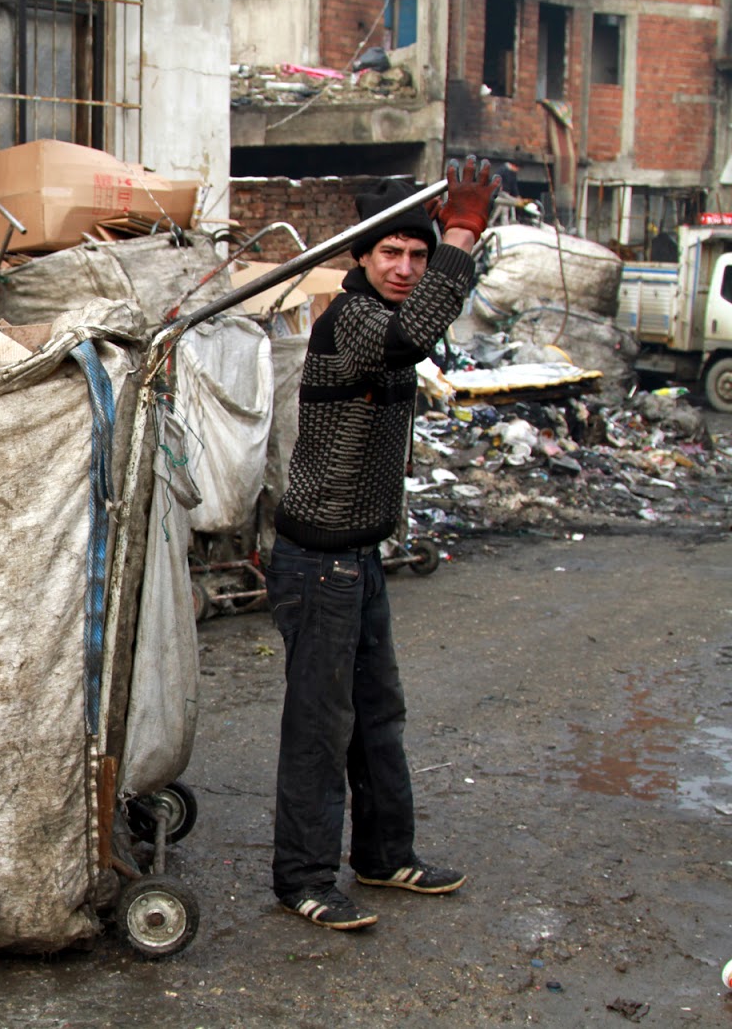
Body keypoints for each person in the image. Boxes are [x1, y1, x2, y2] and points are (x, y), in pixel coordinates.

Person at [265, 157, 499, 931]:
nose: (404, 267)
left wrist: (456, 245)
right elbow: (413, 335)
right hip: (318, 562)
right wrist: (460, 230)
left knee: (377, 714)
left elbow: (428, 323)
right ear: (361, 260)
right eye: (389, 253)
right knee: (319, 728)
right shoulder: (354, 318)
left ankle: (383, 855)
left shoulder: (391, 312)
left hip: (358, 558)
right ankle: (302, 877)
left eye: (418, 254)